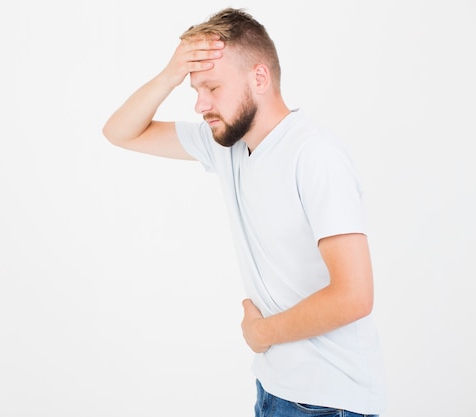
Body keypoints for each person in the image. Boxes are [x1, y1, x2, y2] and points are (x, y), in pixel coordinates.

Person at [102, 7, 386, 417]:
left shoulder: (314, 155)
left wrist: (261, 332)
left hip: (327, 403)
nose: (201, 104)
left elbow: (355, 295)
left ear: (259, 78)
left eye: (212, 87)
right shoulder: (226, 147)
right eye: (195, 89)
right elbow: (120, 132)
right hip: (274, 390)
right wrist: (169, 75)